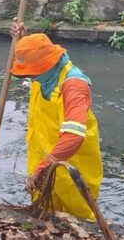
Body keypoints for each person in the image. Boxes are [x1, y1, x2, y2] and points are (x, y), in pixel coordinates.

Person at [9, 21, 102, 220]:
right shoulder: (44, 76)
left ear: (46, 66)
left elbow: (73, 137)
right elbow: (26, 63)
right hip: (41, 154)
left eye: (33, 72)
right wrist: (23, 42)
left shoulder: (74, 86)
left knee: (79, 216)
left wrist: (45, 166)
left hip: (71, 166)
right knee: (43, 210)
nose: (31, 77)